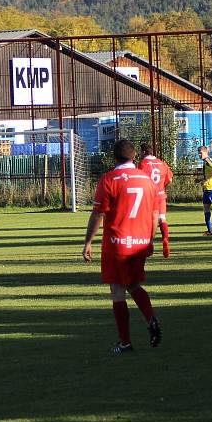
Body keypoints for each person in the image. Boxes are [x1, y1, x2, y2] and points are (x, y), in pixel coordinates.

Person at [83, 139, 161, 355]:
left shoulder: (109, 179)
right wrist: (151, 239)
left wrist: (88, 242)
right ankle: (151, 318)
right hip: (140, 243)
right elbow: (154, 213)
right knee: (134, 285)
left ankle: (125, 342)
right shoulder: (146, 180)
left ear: (113, 157)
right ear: (134, 156)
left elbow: (98, 214)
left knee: (118, 290)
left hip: (117, 244)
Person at [137, 144, 173, 258]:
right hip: (161, 195)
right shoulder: (161, 163)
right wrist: (161, 187)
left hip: (149, 196)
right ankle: (165, 240)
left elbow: (139, 180)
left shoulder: (142, 164)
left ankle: (150, 244)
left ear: (143, 152)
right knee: (162, 218)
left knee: (148, 220)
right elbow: (170, 179)